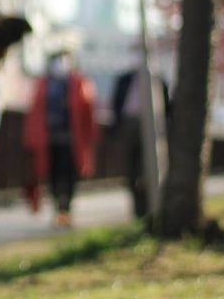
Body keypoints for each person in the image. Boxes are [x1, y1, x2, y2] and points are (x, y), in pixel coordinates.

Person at [23, 51, 98, 227]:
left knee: (69, 174)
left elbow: (88, 110)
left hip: (72, 140)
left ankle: (66, 209)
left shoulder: (79, 83)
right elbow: (34, 112)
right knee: (53, 175)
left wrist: (89, 137)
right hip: (49, 139)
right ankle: (58, 209)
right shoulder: (43, 84)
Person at [111, 67, 169, 219]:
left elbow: (167, 108)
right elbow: (116, 105)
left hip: (152, 127)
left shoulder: (158, 79)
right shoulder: (125, 79)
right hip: (129, 126)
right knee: (130, 170)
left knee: (149, 169)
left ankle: (152, 207)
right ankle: (138, 209)